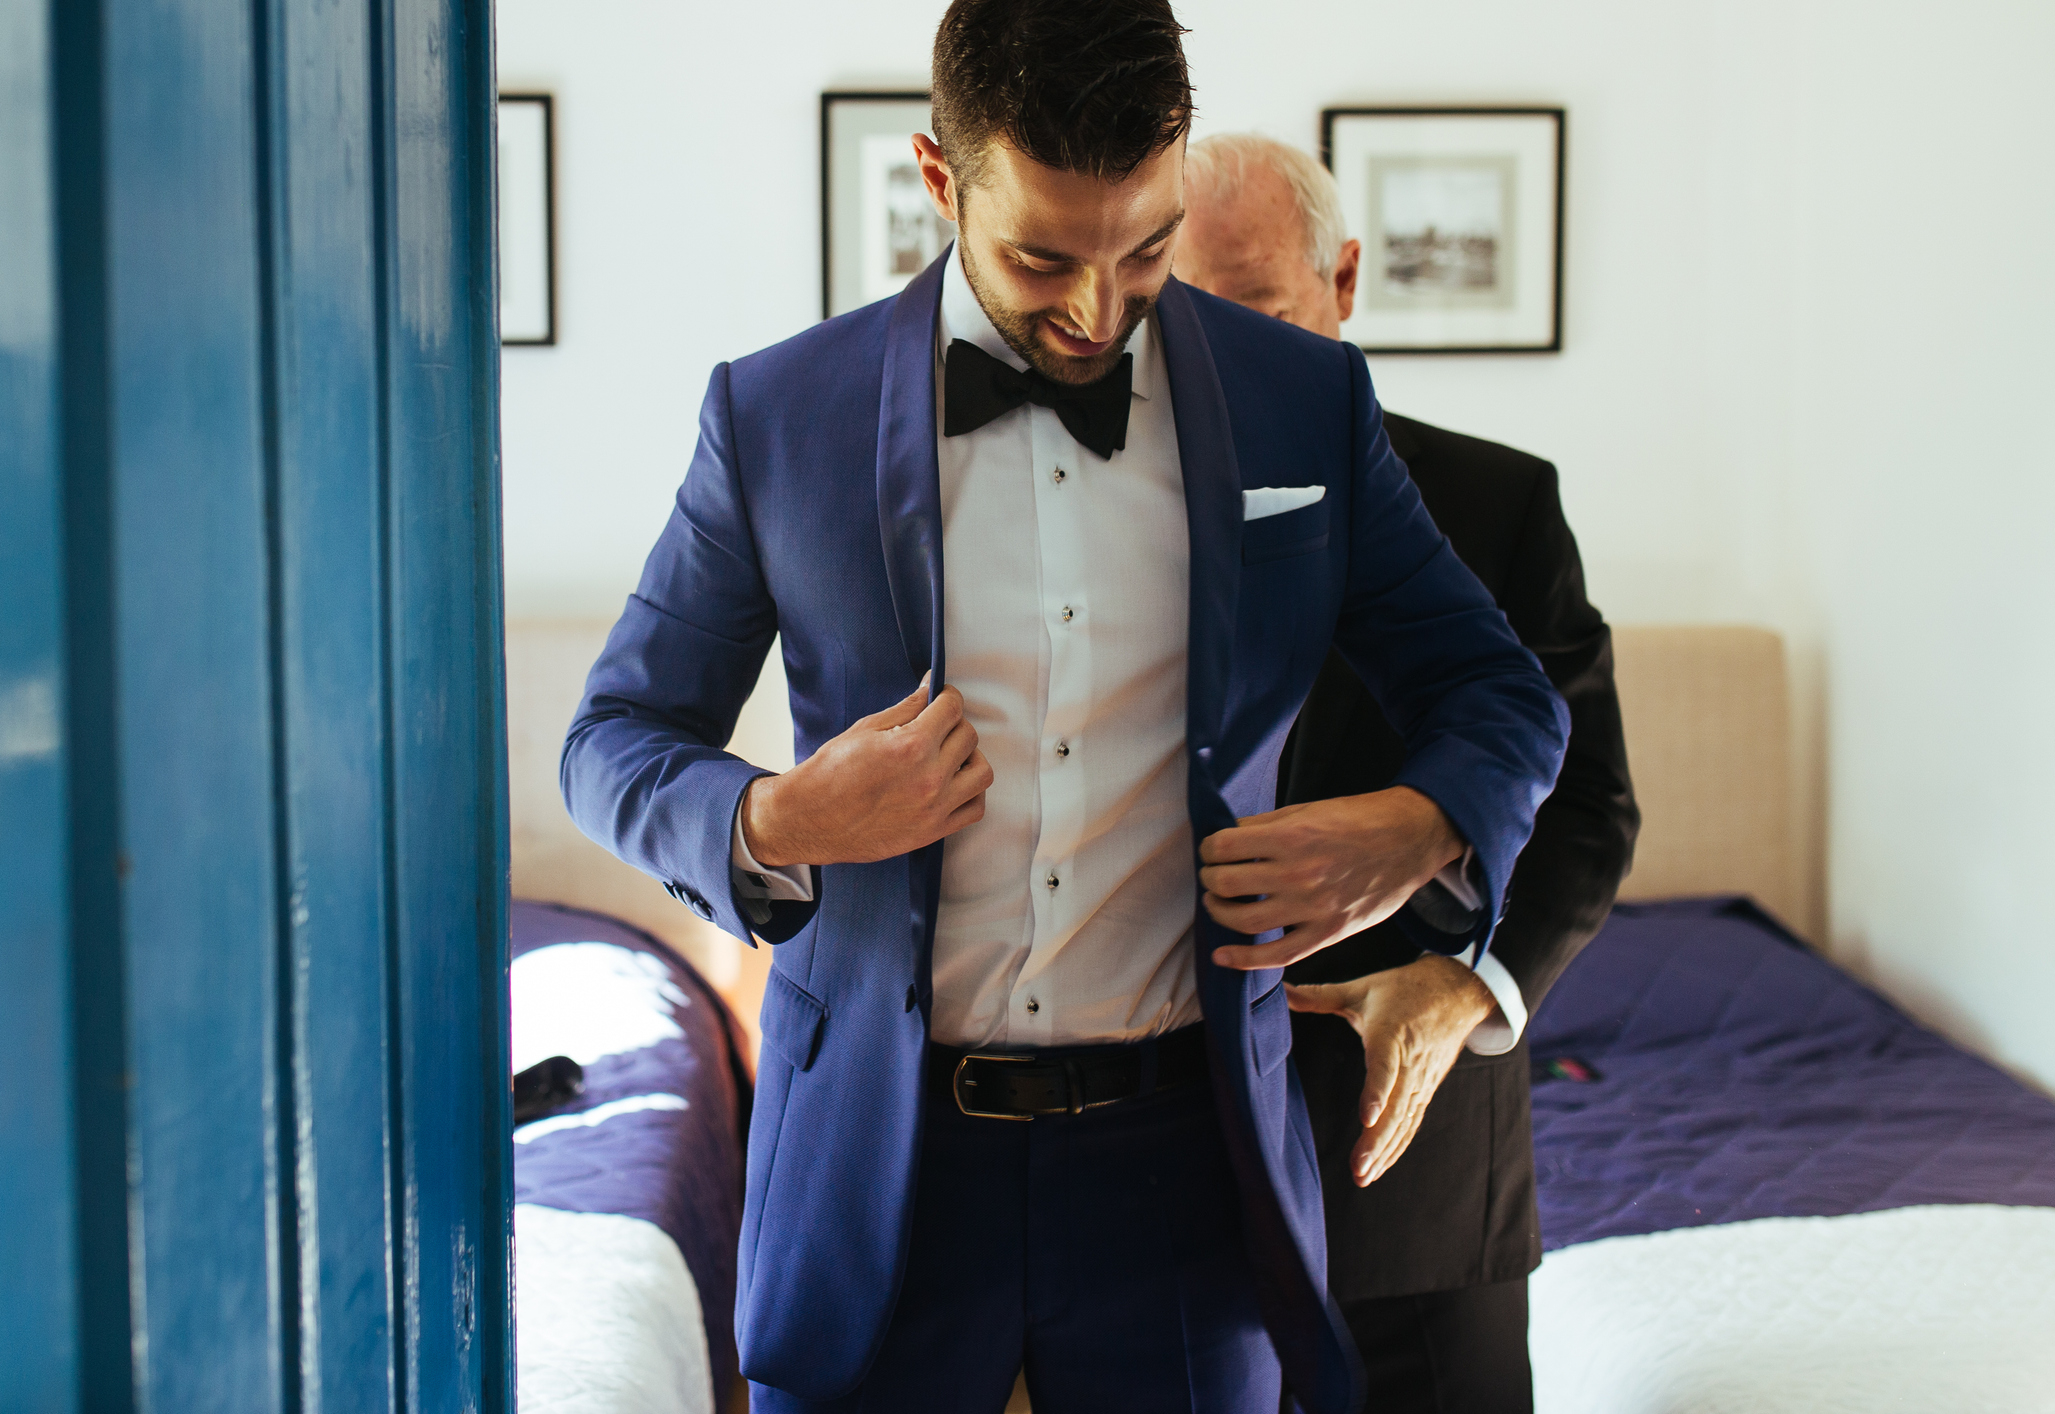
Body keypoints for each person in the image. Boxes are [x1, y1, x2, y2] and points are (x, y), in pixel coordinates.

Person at [561, 5, 1568, 1409]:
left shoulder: (1302, 402)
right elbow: (607, 743)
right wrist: (777, 814)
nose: (1097, 311)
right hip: (881, 1166)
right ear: (938, 175)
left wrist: (1416, 827)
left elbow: (1499, 694)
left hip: (1183, 1171)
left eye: (1145, 249)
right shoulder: (774, 415)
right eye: (1043, 255)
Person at [1171, 133, 1640, 1413]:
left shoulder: (1499, 506)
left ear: (1345, 281)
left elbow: (1590, 806)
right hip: (1155, 1155)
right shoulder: (1104, 517)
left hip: (1416, 1158)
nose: (1221, 355)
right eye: (1185, 315)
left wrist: (1465, 988)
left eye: (1258, 310)